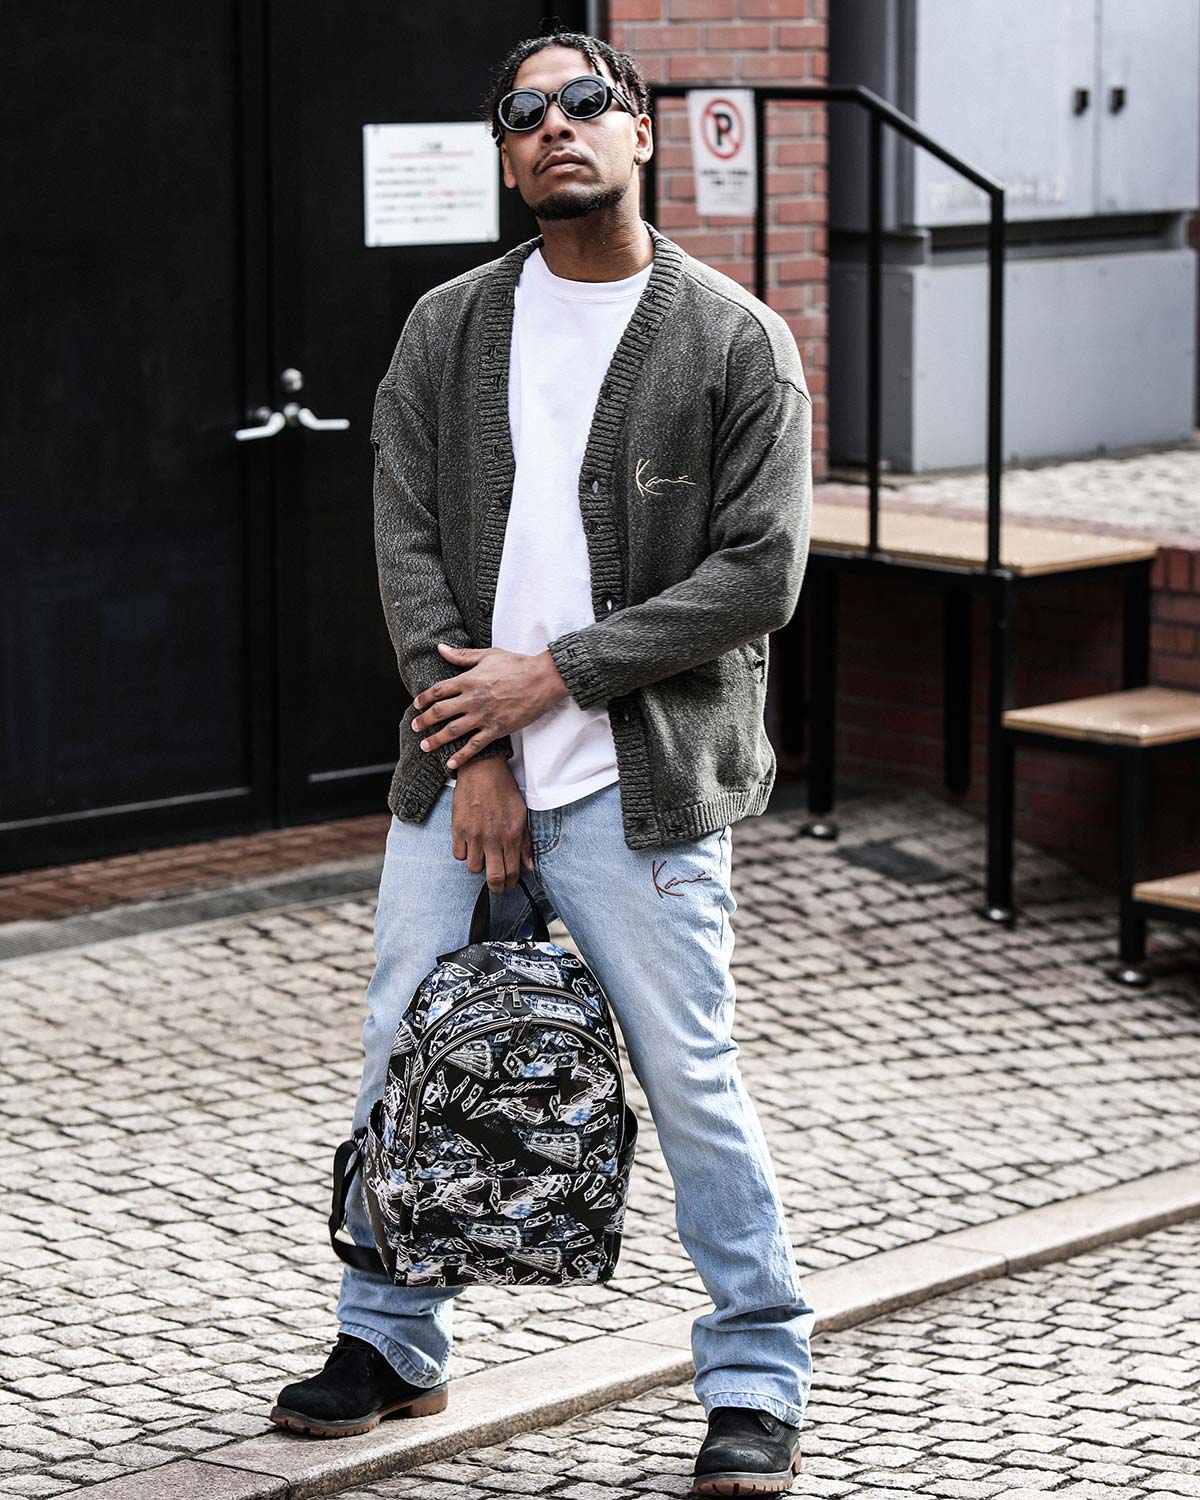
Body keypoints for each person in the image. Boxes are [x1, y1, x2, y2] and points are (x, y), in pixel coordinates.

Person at [271, 29, 815, 1498]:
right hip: (463, 776)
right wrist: (479, 750)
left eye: (585, 101)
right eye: (525, 113)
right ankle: (390, 1339)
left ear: (639, 131)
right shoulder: (447, 329)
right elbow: (405, 546)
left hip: (644, 790)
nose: (555, 126)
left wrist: (557, 676)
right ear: (507, 159)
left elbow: (760, 575)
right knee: (402, 1051)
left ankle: (755, 1373)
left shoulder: (735, 341)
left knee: (689, 1081)